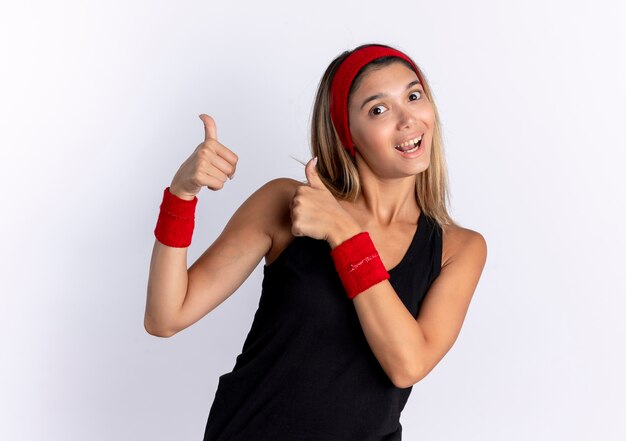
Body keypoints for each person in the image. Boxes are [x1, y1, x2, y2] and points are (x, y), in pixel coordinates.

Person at [145, 43, 487, 440]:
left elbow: (406, 364)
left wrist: (343, 233)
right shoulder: (285, 204)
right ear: (347, 133)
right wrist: (181, 195)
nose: (408, 119)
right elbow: (165, 318)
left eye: (414, 96)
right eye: (379, 109)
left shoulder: (458, 248)